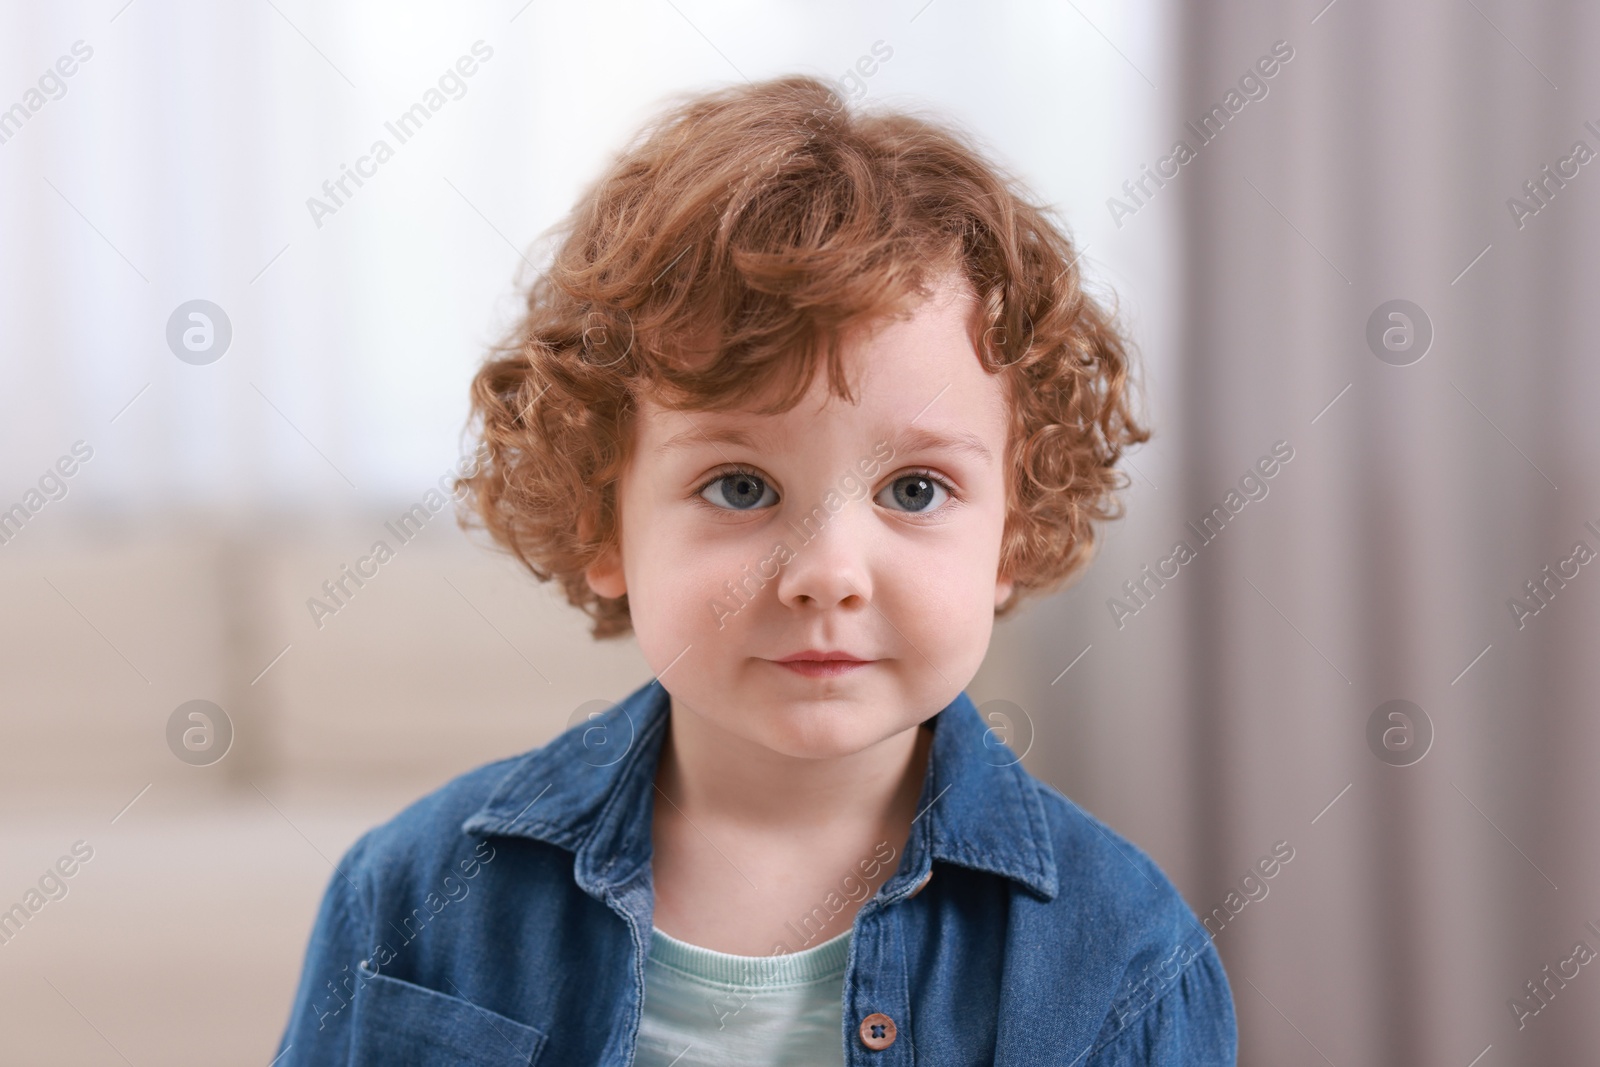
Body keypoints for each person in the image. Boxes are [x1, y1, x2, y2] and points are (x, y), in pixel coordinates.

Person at [275, 74, 1237, 1065]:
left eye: (913, 490)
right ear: (605, 516)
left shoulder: (1126, 954)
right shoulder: (411, 895)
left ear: (1015, 528)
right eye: (740, 486)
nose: (826, 574)